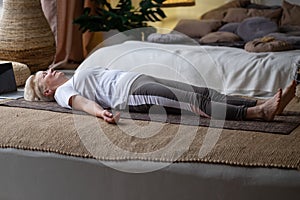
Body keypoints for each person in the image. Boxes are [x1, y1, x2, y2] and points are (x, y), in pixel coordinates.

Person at [24, 67, 297, 124]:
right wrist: (99, 112)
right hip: (131, 94)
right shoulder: (62, 93)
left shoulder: (70, 76)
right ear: (47, 90)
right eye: (44, 74)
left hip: (138, 80)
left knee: (206, 92)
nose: (50, 70)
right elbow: (80, 103)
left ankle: (262, 103)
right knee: (196, 103)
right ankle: (258, 113)